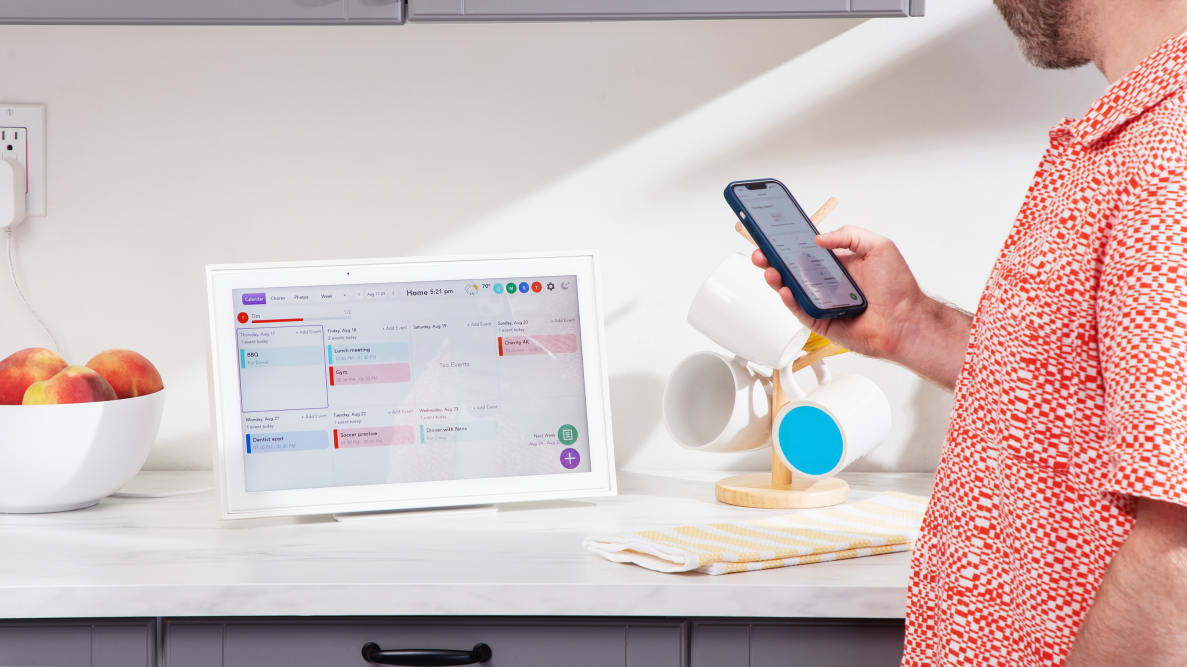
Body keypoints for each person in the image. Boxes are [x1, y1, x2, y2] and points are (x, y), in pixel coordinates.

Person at [752, 1, 1187, 664]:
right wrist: (911, 325)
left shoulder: (1168, 158)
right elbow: (1078, 398)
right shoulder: (1135, 133)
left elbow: (1177, 553)